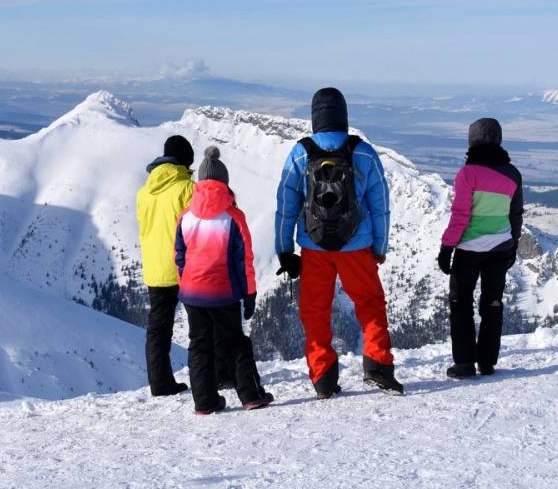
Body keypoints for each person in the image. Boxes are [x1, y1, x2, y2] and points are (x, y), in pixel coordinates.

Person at [275, 87, 403, 399]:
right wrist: (380, 246)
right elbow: (380, 203)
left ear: (315, 118)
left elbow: (286, 204)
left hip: (314, 247)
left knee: (315, 311)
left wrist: (284, 249)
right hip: (357, 246)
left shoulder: (300, 152)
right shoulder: (362, 152)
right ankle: (378, 367)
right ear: (344, 117)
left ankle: (323, 377)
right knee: (370, 304)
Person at [175, 146, 273, 414]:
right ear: (224, 183)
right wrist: (249, 293)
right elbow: (245, 261)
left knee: (199, 345)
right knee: (236, 343)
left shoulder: (185, 216)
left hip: (192, 293)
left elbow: (179, 257)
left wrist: (185, 283)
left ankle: (204, 402)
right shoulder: (233, 217)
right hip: (223, 292)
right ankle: (251, 395)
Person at [438, 118, 523, 379]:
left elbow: (461, 214)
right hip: (500, 247)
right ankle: (487, 362)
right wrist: (513, 245)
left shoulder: (467, 174)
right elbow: (515, 214)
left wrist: (447, 247)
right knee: (493, 303)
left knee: (460, 302)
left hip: (470, 249)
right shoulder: (512, 173)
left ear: (471, 141)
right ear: (498, 140)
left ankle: (464, 363)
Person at [136, 135, 195, 396]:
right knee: (202, 326)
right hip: (185, 267)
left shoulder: (144, 191)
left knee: (158, 330)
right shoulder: (187, 189)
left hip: (154, 267)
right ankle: (208, 377)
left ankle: (160, 384)